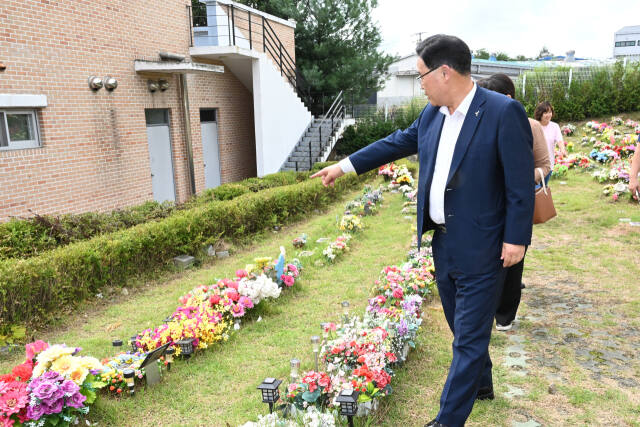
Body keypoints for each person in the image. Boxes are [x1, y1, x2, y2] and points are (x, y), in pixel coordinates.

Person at [311, 35, 534, 427]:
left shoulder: (502, 112)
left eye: (421, 76)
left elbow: (519, 183)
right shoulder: (433, 114)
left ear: (444, 72)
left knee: (467, 339)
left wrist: (516, 238)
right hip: (443, 244)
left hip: (485, 246)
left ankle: (447, 420)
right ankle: (481, 384)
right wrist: (344, 165)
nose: (421, 84)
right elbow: (396, 143)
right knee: (460, 327)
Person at [476, 74, 549, 331]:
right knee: (489, 259)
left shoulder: (530, 126)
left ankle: (505, 314)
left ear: (506, 97)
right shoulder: (480, 121)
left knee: (513, 262)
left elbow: (544, 165)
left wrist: (515, 177)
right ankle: (487, 310)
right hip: (487, 204)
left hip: (518, 202)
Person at [535, 101, 566, 184]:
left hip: (548, 164)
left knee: (543, 188)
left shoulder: (554, 126)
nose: (548, 115)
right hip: (535, 164)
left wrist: (562, 150)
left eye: (550, 112)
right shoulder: (535, 126)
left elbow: (559, 140)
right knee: (535, 188)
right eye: (545, 112)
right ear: (540, 114)